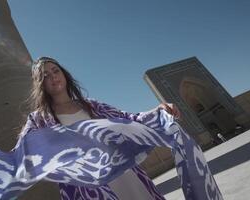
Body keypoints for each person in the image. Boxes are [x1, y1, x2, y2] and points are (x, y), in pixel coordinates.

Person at [17, 56, 181, 200]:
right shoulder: (40, 119)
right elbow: (22, 152)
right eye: (45, 76)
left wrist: (158, 111)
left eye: (55, 71)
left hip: (123, 173)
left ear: (64, 74)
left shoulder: (91, 105)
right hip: (87, 188)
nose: (53, 77)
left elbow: (127, 120)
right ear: (40, 83)